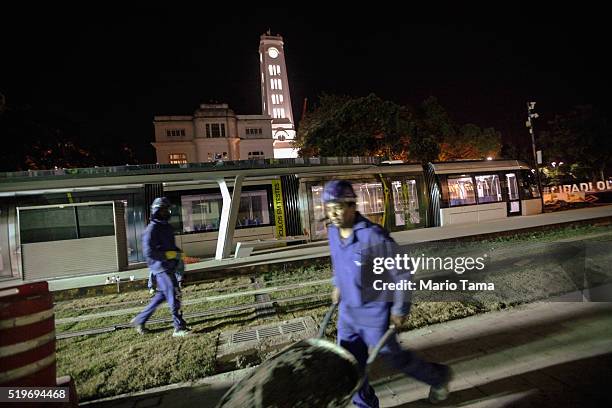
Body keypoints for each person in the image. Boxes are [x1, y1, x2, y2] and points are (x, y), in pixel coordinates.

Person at [323, 180, 452, 406]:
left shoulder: (373, 236)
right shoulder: (333, 232)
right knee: (349, 368)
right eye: (328, 207)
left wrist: (400, 309)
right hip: (348, 315)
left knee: (396, 359)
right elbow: (339, 262)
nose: (333, 213)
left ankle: (438, 377)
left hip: (375, 315)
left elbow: (402, 273)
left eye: (339, 206)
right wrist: (338, 284)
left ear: (352, 206)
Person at [131, 197, 190, 337]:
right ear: (157, 211)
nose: (167, 212)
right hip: (161, 268)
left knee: (162, 296)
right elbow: (149, 252)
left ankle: (139, 320)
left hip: (169, 266)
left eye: (168, 209)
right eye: (164, 210)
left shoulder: (166, 227)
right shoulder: (152, 229)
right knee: (174, 295)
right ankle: (179, 327)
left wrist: (178, 254)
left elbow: (170, 246)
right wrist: (167, 255)